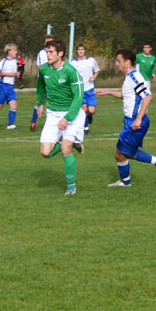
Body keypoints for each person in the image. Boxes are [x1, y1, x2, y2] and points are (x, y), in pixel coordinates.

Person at [95, 49, 156, 187]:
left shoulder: (134, 77)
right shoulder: (129, 77)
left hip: (135, 121)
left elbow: (148, 97)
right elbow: (126, 95)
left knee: (119, 154)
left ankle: (125, 182)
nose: (116, 64)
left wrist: (138, 119)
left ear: (128, 62)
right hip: (132, 120)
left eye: (119, 61)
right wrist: (107, 92)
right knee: (127, 152)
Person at [36, 39, 85, 195]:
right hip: (52, 114)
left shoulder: (71, 71)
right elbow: (40, 86)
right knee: (45, 153)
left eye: (51, 52)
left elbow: (78, 97)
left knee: (65, 149)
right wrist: (40, 103)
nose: (48, 55)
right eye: (47, 52)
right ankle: (72, 143)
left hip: (72, 114)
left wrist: (67, 118)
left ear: (60, 53)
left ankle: (71, 187)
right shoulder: (44, 69)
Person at [70, 43, 100, 134]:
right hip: (80, 90)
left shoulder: (91, 60)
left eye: (82, 49)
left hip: (90, 89)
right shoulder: (73, 63)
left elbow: (97, 70)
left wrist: (94, 77)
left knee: (91, 111)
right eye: (79, 49)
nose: (80, 51)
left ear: (85, 51)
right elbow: (70, 75)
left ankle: (90, 116)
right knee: (84, 110)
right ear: (76, 51)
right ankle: (85, 128)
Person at [31, 34, 54, 132]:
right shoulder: (42, 53)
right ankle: (33, 122)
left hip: (53, 81)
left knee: (52, 101)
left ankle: (51, 124)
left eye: (51, 41)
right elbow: (39, 67)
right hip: (44, 81)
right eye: (47, 41)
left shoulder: (55, 53)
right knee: (40, 101)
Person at [0, 43, 20, 129]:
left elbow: (14, 73)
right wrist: (12, 74)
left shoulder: (15, 61)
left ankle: (10, 124)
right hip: (2, 86)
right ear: (9, 52)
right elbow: (0, 73)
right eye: (14, 50)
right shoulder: (3, 61)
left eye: (16, 50)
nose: (16, 52)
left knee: (14, 104)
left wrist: (17, 74)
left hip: (10, 87)